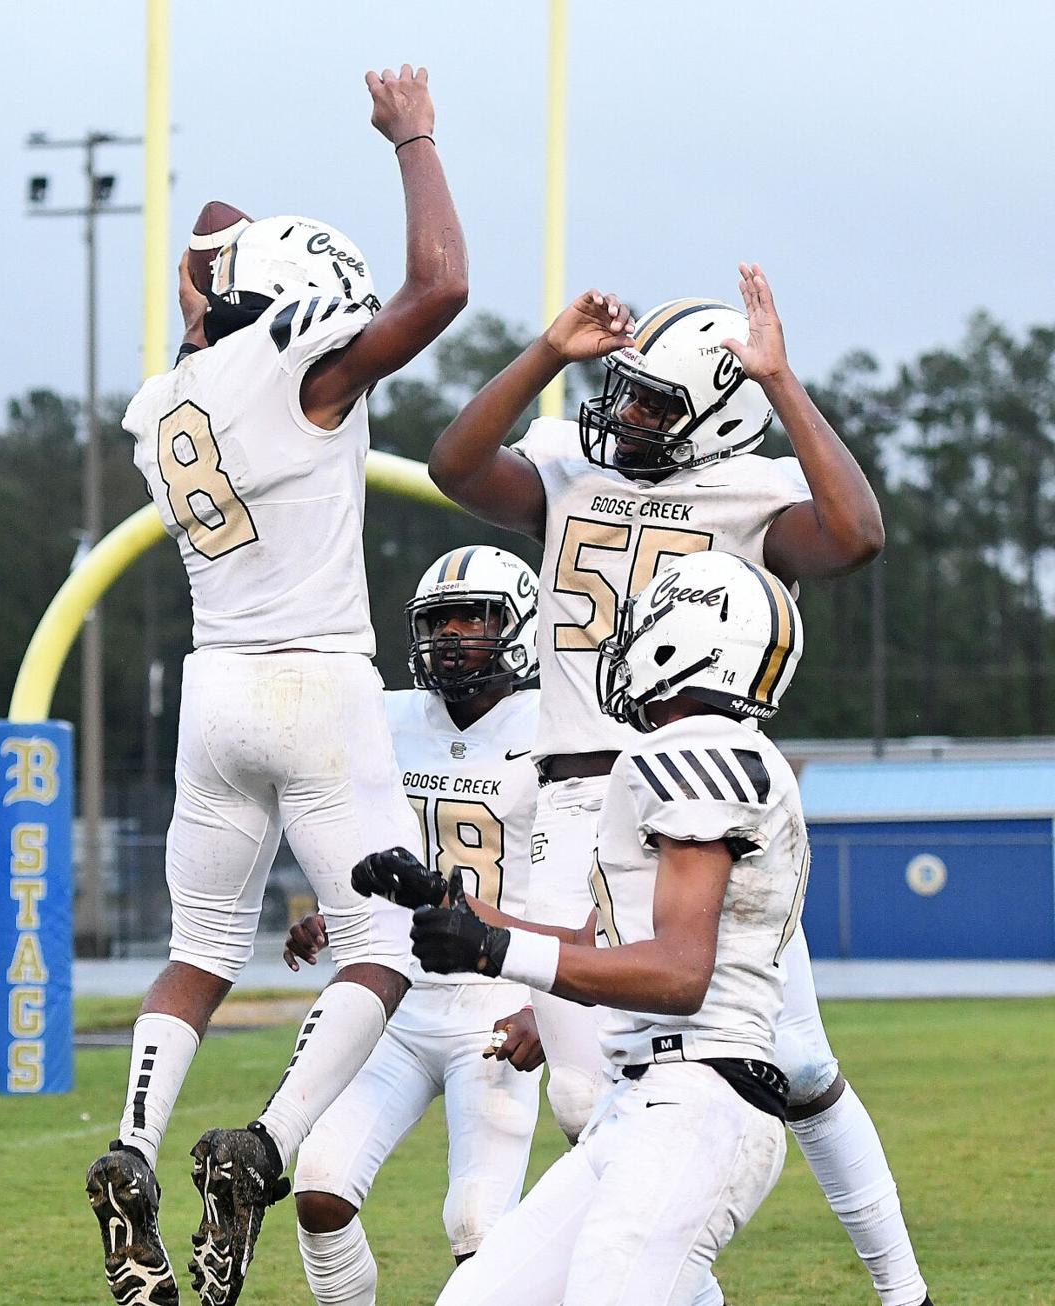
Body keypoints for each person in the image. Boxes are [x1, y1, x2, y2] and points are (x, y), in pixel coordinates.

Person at [427, 270, 932, 1306]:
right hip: (577, 798)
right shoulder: (572, 466)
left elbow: (856, 536)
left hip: (694, 786)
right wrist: (548, 354)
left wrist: (783, 381)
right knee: (595, 1085)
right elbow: (456, 464)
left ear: (722, 415)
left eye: (658, 400)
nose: (630, 415)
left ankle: (902, 1289)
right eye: (629, 391)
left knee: (794, 1059)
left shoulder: (754, 490)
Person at [84, 65, 468, 1306]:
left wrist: (226, 259)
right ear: (305, 309)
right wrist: (411, 136)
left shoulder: (165, 402)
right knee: (388, 942)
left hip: (216, 694)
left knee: (198, 953)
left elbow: (209, 238)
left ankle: (132, 1149)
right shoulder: (307, 372)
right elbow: (444, 285)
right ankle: (268, 1142)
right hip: (317, 685)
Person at [356, 551, 808, 1303]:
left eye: (644, 624)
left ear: (687, 642)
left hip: (700, 1096)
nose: (621, 645)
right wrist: (448, 900)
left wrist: (495, 948)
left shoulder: (698, 753)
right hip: (637, 1103)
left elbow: (678, 975)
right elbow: (594, 949)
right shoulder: (683, 756)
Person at [281, 545, 544, 1305]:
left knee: (479, 1230)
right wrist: (338, 912)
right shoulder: (389, 717)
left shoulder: (554, 729)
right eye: (440, 619)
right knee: (321, 1187)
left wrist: (548, 1006)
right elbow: (381, 847)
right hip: (397, 997)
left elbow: (578, 884)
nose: (454, 633)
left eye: (474, 617)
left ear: (517, 625)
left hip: (496, 1004)